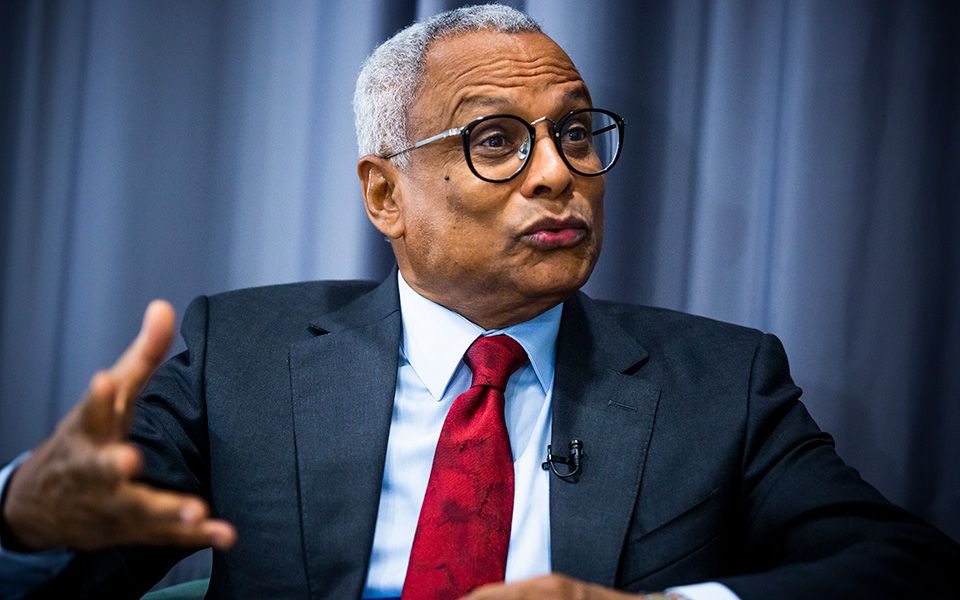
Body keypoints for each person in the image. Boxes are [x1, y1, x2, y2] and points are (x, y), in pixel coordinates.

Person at [0, 5, 957, 599]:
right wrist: (22, 517)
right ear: (386, 195)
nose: (558, 173)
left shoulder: (721, 381)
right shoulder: (244, 357)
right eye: (496, 140)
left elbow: (905, 567)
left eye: (575, 132)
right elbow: (76, 562)